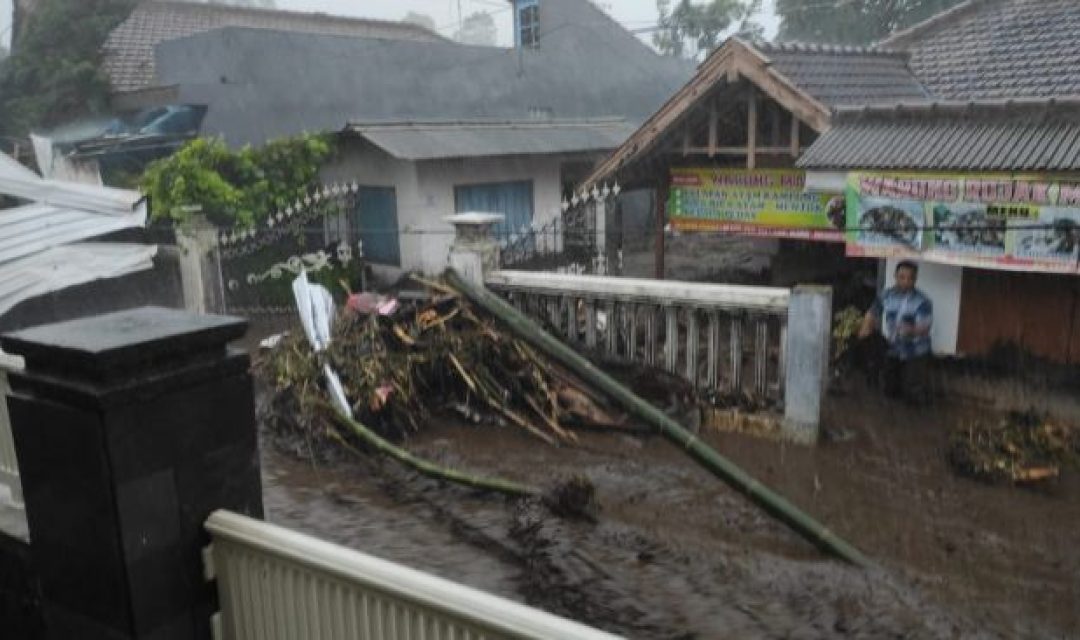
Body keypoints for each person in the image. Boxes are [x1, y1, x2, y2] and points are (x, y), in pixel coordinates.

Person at [858, 261, 933, 403]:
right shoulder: (886, 295)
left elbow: (924, 328)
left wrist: (908, 330)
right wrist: (865, 328)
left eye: (909, 278)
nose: (905, 281)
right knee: (890, 391)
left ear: (915, 280)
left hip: (915, 350)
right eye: (902, 277)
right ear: (895, 277)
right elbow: (872, 313)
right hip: (894, 348)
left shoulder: (923, 301)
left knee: (913, 394)